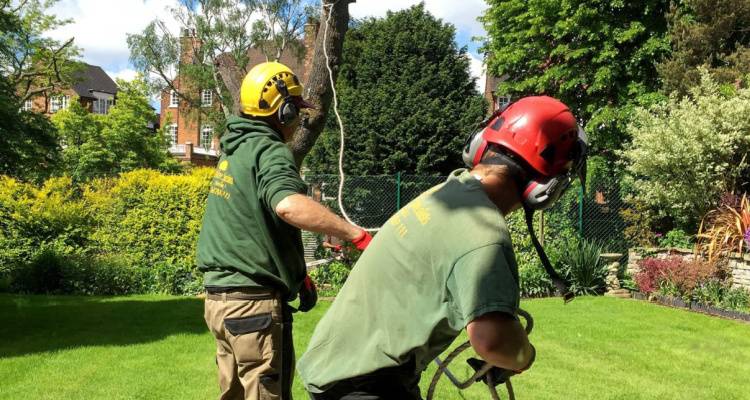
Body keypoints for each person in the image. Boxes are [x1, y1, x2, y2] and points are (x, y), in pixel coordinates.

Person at [297, 96, 587, 399]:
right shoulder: (484, 232)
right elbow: (492, 341)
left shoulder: (446, 194)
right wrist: (525, 356)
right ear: (547, 185)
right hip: (366, 386)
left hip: (342, 374)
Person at [196, 61, 372, 400]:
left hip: (219, 301)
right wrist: (355, 234)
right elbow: (287, 205)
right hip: (252, 307)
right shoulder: (270, 150)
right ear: (285, 111)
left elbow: (254, 228)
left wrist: (296, 275)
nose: (299, 121)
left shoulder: (235, 152)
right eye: (297, 111)